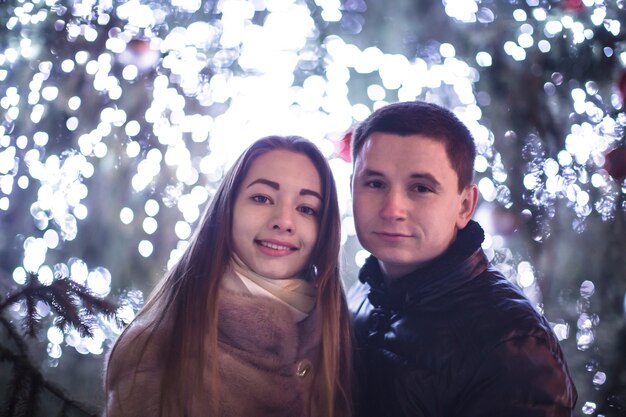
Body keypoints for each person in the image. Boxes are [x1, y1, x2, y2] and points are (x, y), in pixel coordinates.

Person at [348, 101, 577, 417]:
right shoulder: (364, 291)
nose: (392, 209)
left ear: (464, 206)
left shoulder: (512, 344)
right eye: (375, 183)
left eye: (421, 188)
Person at [104, 136, 353, 417]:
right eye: (262, 198)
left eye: (306, 209)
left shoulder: (344, 341)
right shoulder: (158, 351)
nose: (284, 221)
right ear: (227, 210)